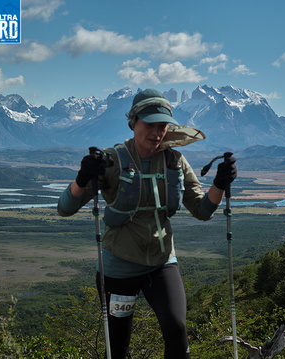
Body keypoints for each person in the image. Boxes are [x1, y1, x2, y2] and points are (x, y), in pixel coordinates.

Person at [57, 88, 237, 359]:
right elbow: (65, 208)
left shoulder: (174, 161)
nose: (156, 132)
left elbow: (202, 210)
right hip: (118, 268)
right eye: (150, 124)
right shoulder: (110, 161)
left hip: (162, 263)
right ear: (133, 123)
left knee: (176, 329)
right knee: (117, 347)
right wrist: (82, 179)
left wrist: (220, 184)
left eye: (162, 125)